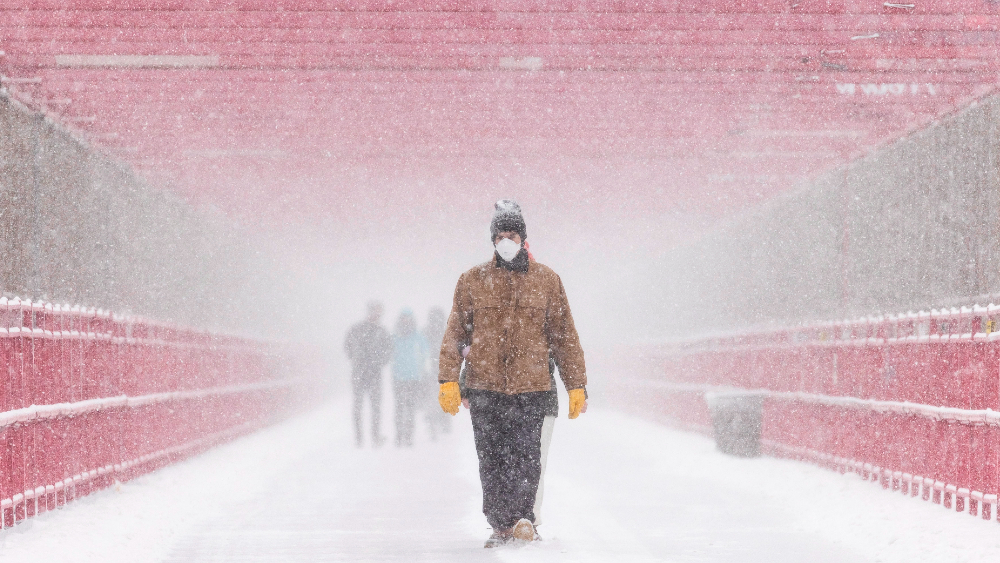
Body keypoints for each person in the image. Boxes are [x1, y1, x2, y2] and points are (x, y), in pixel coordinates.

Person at [438, 199, 588, 548]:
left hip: (531, 386)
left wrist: (576, 384)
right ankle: (500, 524)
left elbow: (564, 335)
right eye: (500, 235)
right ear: (492, 240)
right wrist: (447, 378)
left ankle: (524, 520)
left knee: (526, 458)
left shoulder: (547, 281)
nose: (506, 240)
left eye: (512, 234)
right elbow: (455, 331)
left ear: (523, 238)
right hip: (484, 386)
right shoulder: (472, 280)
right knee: (491, 460)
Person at [344, 300, 392, 448]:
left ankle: (374, 437)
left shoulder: (381, 331)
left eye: (379, 311)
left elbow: (389, 350)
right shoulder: (358, 329)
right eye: (375, 311)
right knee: (359, 406)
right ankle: (360, 438)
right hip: (361, 373)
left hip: (372, 373)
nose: (377, 314)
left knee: (374, 407)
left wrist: (379, 361)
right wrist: (357, 359)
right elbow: (347, 346)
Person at [391, 308, 429, 447]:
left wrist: (424, 372)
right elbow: (389, 354)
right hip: (399, 377)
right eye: (404, 318)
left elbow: (425, 355)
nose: (405, 321)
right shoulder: (395, 337)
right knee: (399, 407)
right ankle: (399, 435)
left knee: (410, 407)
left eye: (407, 318)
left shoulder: (418, 337)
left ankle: (408, 436)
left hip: (413, 377)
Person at [422, 307, 451, 440]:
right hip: (439, 370)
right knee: (441, 397)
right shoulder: (446, 332)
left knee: (433, 398)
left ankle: (434, 422)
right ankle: (442, 422)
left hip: (434, 370)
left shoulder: (426, 332)